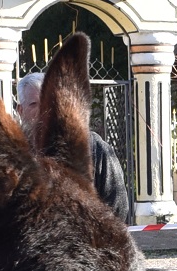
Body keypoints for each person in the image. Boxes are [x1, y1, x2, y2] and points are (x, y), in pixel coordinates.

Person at [14, 64, 134, 225]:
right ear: (20, 111)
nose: (43, 110)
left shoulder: (93, 147)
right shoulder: (15, 155)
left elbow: (117, 207)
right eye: (34, 104)